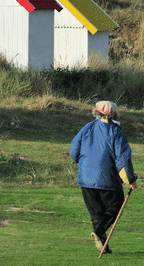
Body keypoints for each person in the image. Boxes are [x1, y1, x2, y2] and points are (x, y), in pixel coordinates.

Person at [70, 101, 137, 254]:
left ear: (96, 112)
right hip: (107, 179)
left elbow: (74, 148)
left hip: (86, 179)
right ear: (115, 114)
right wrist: (130, 179)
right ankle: (100, 233)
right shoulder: (116, 131)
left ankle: (103, 247)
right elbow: (123, 159)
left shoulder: (87, 127)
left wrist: (81, 163)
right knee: (116, 206)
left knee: (96, 213)